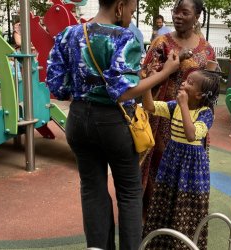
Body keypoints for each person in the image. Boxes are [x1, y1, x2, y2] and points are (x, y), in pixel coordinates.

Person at [45, 0, 180, 249]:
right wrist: (166, 71)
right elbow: (123, 92)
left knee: (92, 189)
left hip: (77, 120)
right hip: (113, 123)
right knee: (129, 193)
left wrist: (81, 90)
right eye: (131, 10)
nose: (131, 15)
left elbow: (56, 84)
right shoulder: (123, 37)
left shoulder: (68, 34)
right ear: (120, 6)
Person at [140, 0, 216, 218]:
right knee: (159, 164)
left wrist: (204, 120)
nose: (178, 16)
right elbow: (145, 77)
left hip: (192, 119)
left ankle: (180, 215)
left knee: (187, 167)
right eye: (176, 11)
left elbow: (211, 84)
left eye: (185, 12)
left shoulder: (207, 49)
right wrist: (168, 67)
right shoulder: (161, 43)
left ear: (197, 16)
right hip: (163, 115)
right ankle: (154, 215)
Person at [142, 68, 220, 250]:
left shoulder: (206, 113)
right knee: (166, 198)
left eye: (190, 83)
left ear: (199, 94)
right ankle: (161, 242)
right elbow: (150, 106)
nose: (184, 83)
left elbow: (192, 135)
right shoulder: (174, 106)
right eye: (185, 80)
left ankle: (183, 245)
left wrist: (184, 105)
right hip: (172, 158)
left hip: (192, 165)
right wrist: (147, 84)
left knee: (186, 203)